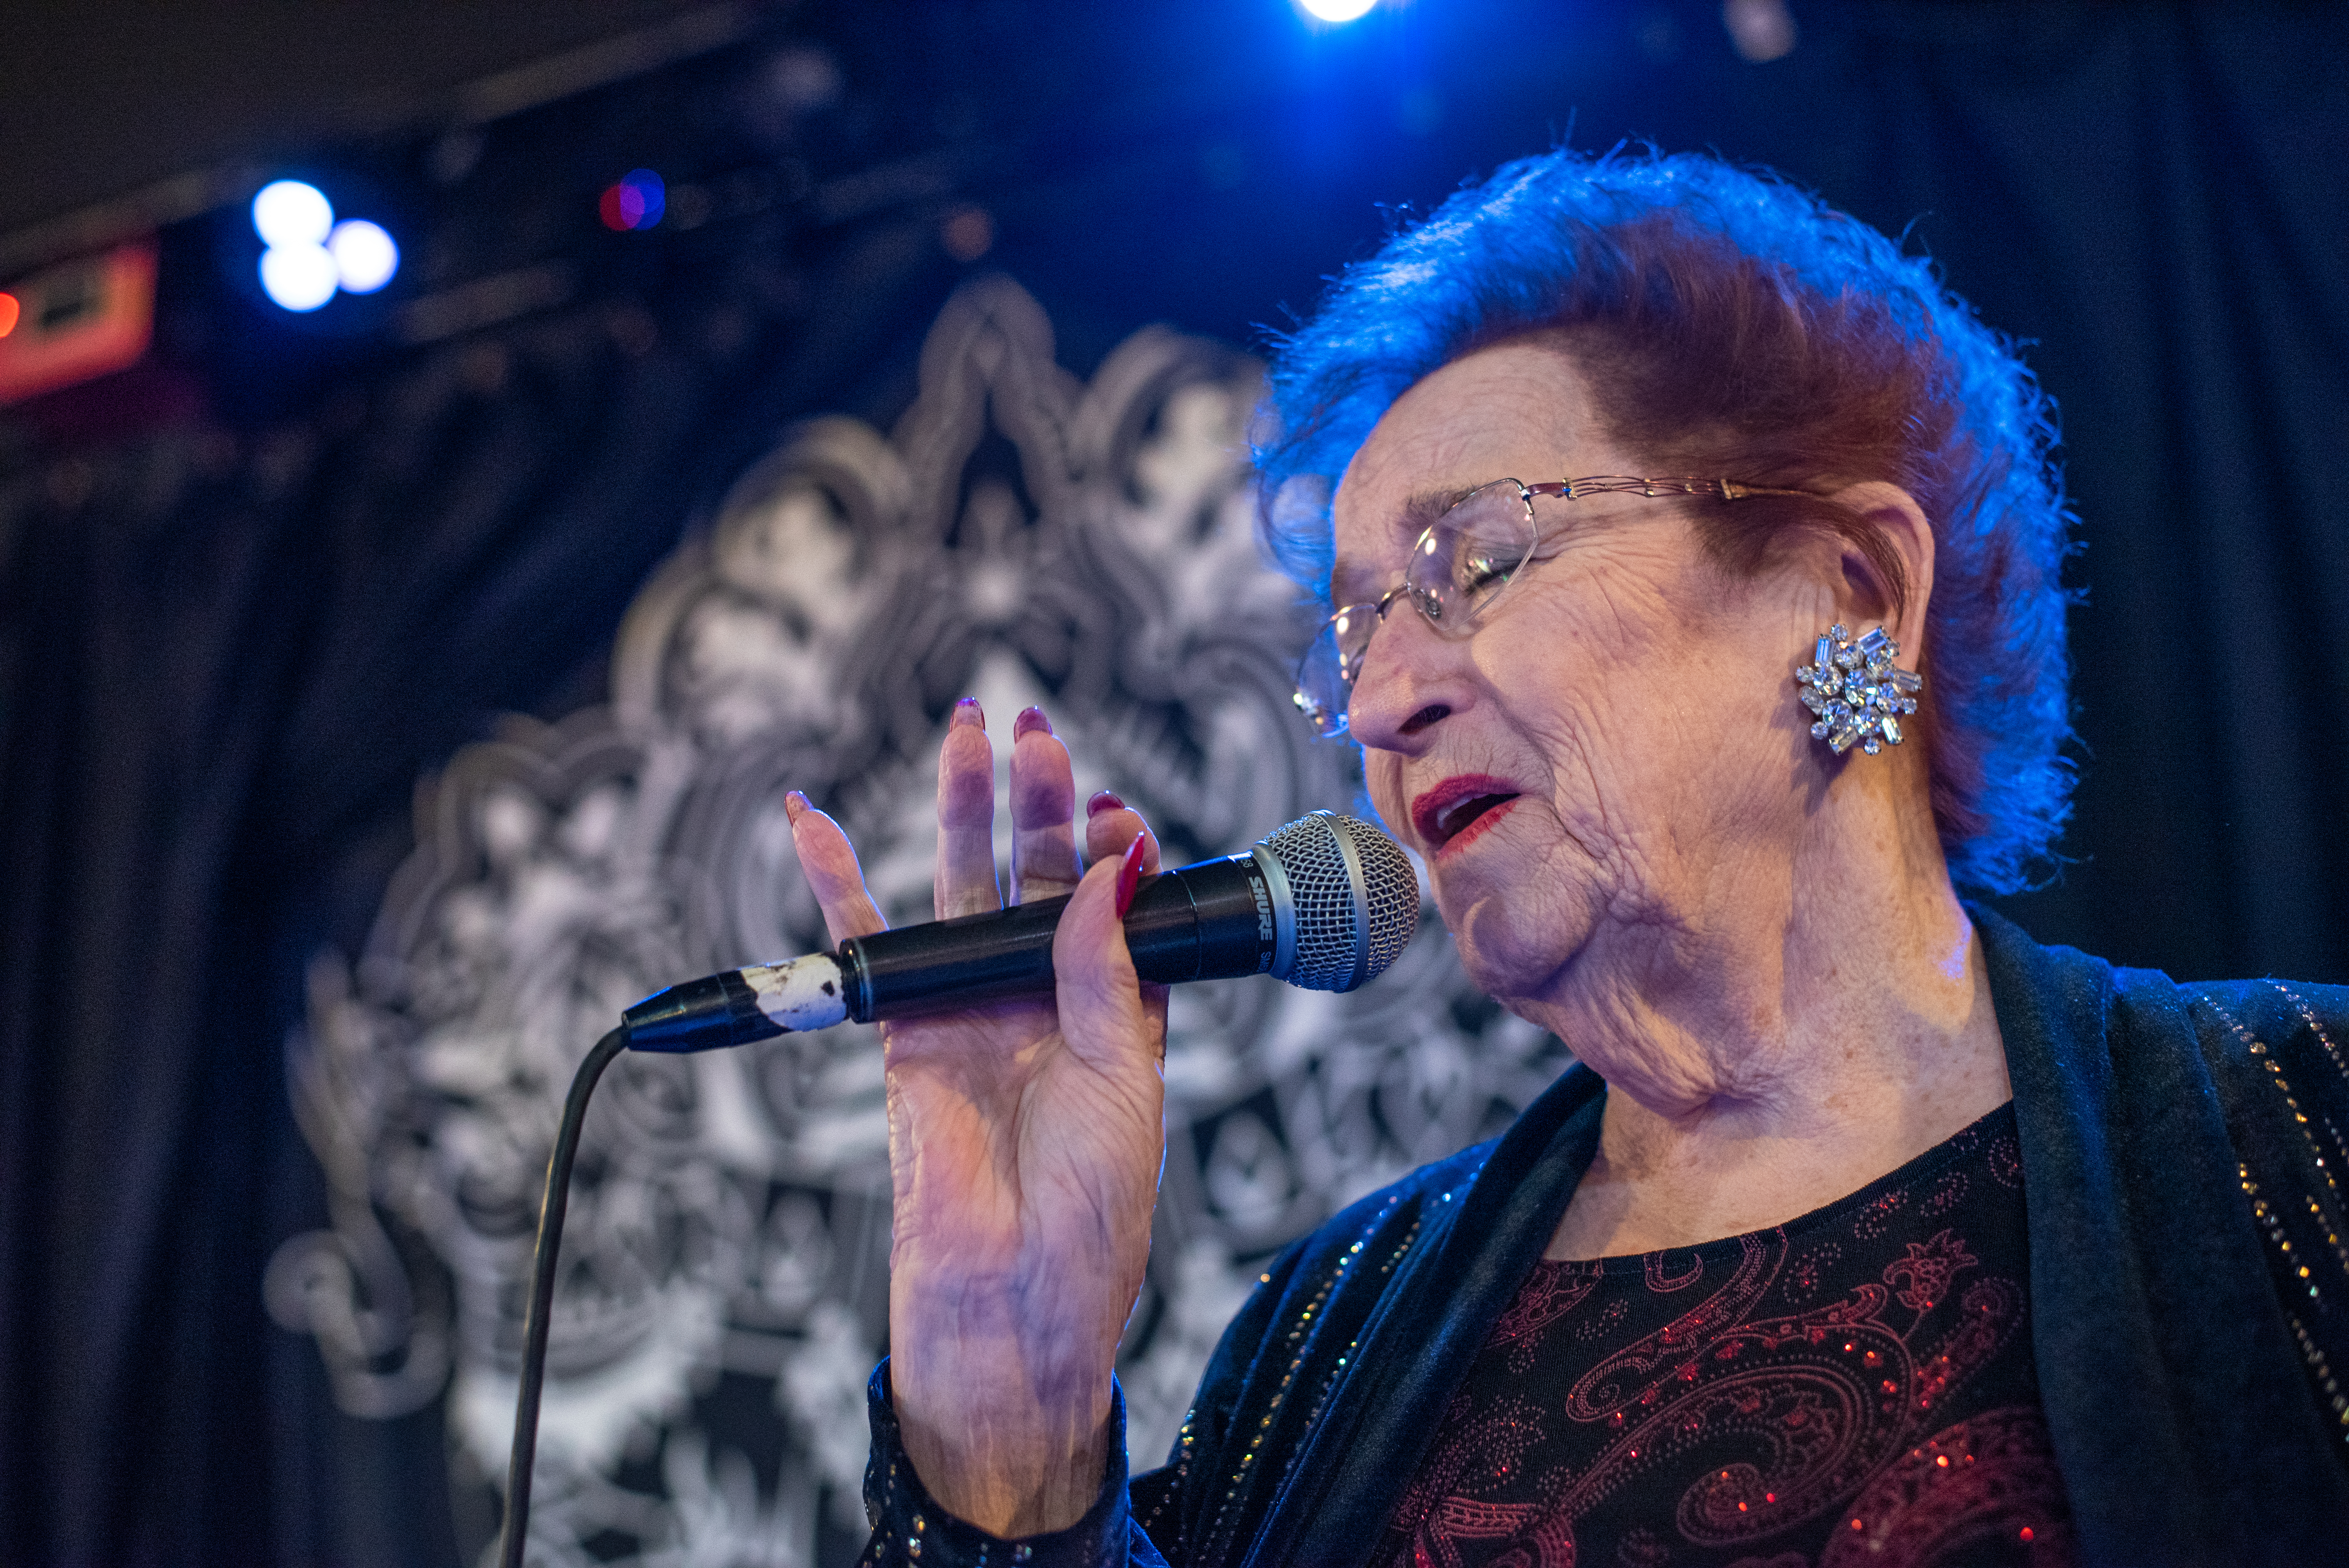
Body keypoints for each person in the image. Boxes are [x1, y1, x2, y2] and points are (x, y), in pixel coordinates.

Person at [784, 148, 2349, 1568]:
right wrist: (1005, 1428)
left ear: (1852, 587)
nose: (1381, 701)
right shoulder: (1326, 1343)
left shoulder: (2303, 1136)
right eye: (1354, 635)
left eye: (1477, 560)